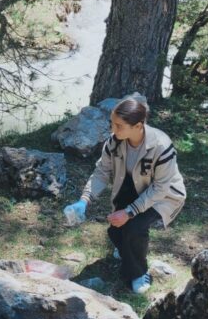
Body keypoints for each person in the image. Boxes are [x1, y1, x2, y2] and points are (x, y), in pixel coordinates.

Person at [66, 97, 186, 294]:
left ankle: (139, 273)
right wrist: (84, 200)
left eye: (119, 126)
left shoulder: (161, 146)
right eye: (112, 123)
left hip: (164, 195)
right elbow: (101, 173)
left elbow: (160, 188)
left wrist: (130, 212)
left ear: (138, 126)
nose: (113, 130)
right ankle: (126, 249)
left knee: (134, 228)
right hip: (132, 186)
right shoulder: (114, 143)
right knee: (115, 231)